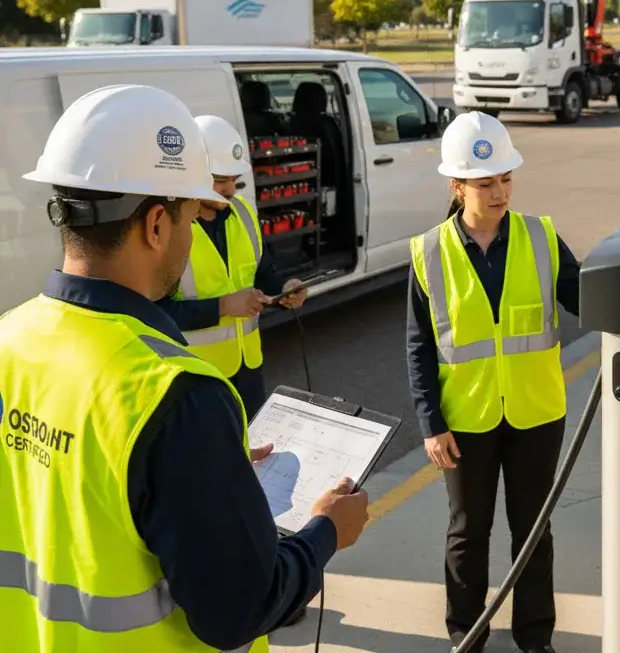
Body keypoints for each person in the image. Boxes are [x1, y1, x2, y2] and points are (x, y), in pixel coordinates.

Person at [0, 83, 369, 651]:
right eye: (190, 217)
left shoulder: (9, 340)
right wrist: (325, 532)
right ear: (155, 225)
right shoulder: (174, 395)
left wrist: (195, 471)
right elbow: (240, 609)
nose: (195, 232)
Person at [407, 111, 581, 653]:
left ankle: (535, 638)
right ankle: (467, 636)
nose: (499, 191)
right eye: (485, 183)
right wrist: (431, 424)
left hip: (536, 412)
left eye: (506, 179)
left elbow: (591, 298)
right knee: (468, 534)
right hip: (465, 419)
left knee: (534, 534)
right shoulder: (429, 252)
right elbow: (418, 347)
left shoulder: (541, 236)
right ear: (457, 186)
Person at [159, 113, 307, 421]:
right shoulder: (168, 229)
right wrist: (225, 305)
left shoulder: (243, 213)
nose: (229, 190)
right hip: (194, 376)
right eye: (220, 181)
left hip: (248, 370)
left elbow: (263, 272)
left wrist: (284, 289)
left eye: (234, 181)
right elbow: (156, 314)